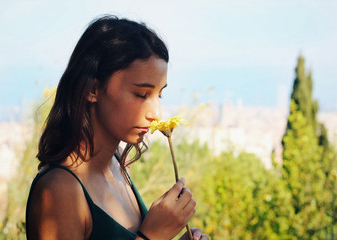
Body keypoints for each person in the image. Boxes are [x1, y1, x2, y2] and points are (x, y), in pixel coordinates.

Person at [25, 15, 209, 240]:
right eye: (141, 94)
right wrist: (152, 236)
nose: (156, 114)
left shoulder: (119, 164)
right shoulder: (58, 191)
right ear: (92, 89)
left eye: (159, 95)